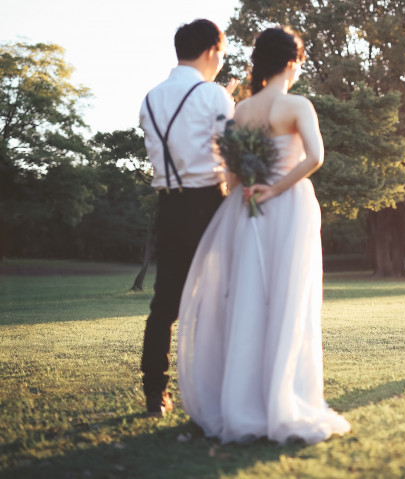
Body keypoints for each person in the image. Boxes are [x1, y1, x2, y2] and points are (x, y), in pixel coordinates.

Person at [177, 26, 351, 444]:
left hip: (244, 211)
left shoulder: (241, 110)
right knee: (287, 301)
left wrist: (255, 187)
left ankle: (241, 401)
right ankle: (282, 399)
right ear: (292, 62)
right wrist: (275, 188)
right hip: (287, 207)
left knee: (247, 301)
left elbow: (233, 177)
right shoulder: (296, 104)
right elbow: (315, 157)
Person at [138, 19, 236, 418]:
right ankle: (218, 389)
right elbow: (230, 155)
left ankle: (155, 395)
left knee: (164, 304)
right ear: (213, 50)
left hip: (168, 205)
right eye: (223, 54)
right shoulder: (213, 96)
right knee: (220, 298)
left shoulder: (150, 98)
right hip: (209, 203)